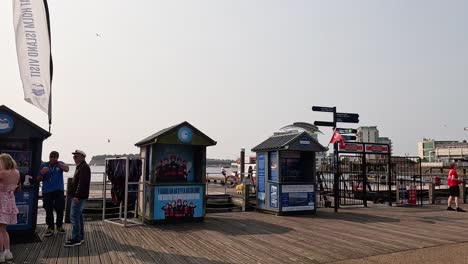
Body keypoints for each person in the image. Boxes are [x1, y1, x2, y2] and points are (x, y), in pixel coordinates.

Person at [38, 151, 69, 236]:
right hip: (47, 191)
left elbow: (67, 169)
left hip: (59, 190)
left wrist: (59, 164)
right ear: (49, 157)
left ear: (57, 158)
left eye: (55, 157)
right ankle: (50, 227)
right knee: (48, 209)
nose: (53, 158)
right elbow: (38, 179)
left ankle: (59, 226)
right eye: (51, 156)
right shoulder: (44, 165)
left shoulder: (60, 164)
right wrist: (42, 173)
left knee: (60, 209)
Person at [65, 150, 91, 247]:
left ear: (82, 157)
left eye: (76, 156)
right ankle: (80, 236)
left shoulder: (83, 167)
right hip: (79, 196)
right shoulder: (81, 166)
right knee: (78, 217)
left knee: (74, 217)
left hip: (79, 196)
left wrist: (76, 195)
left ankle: (76, 238)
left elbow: (82, 183)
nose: (74, 158)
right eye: (74, 157)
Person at [0, 154, 20, 262]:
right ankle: (8, 252)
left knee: (0, 231)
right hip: (9, 203)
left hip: (1, 203)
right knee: (4, 230)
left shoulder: (2, 173)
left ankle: (0, 255)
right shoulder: (16, 173)